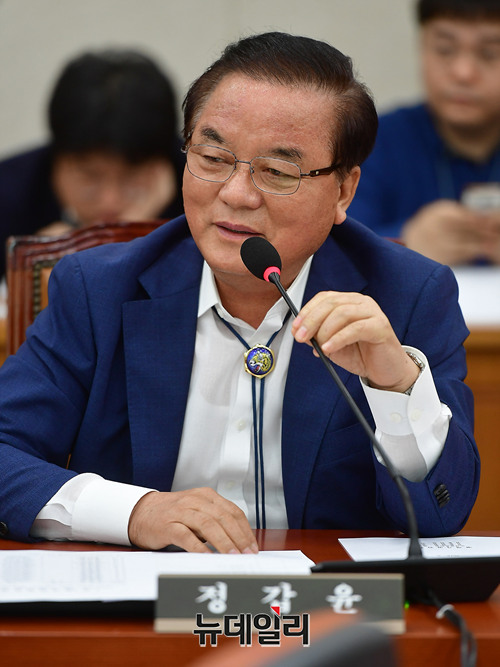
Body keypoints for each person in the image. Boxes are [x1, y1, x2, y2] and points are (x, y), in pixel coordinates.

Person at [0, 32, 478, 554]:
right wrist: (135, 513)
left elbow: (440, 514)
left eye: (277, 171)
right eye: (212, 157)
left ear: (344, 190)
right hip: (144, 592)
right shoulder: (98, 289)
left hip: (327, 599)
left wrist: (396, 388)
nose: (235, 194)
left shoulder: (408, 296)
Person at [0, 49, 185, 277]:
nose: (110, 200)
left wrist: (127, 236)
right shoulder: (8, 195)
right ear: (56, 158)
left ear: (163, 162)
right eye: (90, 176)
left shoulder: (202, 187)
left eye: (131, 177)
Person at [348, 0, 500, 266]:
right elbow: (332, 248)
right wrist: (405, 243)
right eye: (445, 49)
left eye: (489, 53)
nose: (463, 73)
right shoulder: (372, 141)